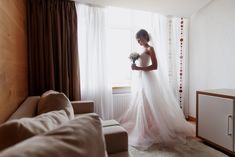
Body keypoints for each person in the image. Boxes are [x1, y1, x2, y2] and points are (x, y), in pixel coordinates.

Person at [119, 29, 194, 150]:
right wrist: (135, 67)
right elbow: (142, 65)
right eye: (137, 40)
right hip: (141, 80)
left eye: (139, 39)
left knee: (151, 104)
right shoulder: (141, 50)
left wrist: (138, 68)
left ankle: (153, 129)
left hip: (149, 80)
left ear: (144, 36)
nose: (138, 41)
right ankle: (145, 128)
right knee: (142, 104)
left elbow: (155, 66)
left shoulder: (150, 49)